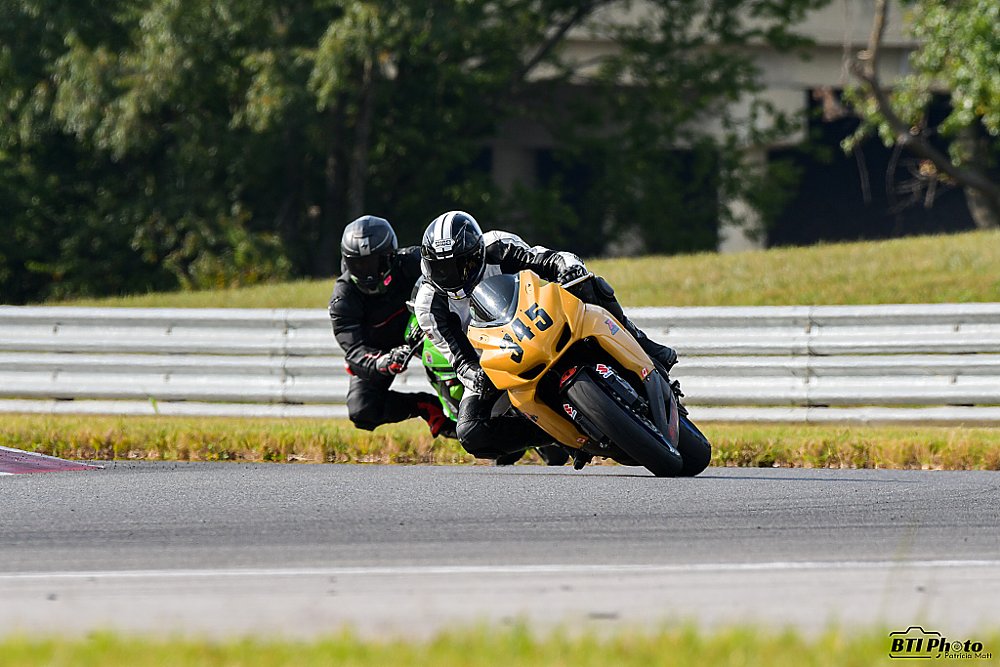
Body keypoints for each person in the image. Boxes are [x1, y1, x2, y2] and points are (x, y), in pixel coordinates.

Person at [412, 210, 677, 462]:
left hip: (539, 317)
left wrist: (567, 267)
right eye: (442, 269)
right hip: (496, 360)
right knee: (471, 432)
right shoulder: (428, 304)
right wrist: (477, 375)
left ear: (478, 253)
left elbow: (547, 259)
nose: (453, 276)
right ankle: (555, 434)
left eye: (462, 265)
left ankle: (646, 347)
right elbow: (458, 357)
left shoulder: (498, 245)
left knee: (589, 283)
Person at [329, 215, 455, 438]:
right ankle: (426, 407)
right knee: (362, 410)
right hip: (379, 349)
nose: (367, 272)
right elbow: (354, 350)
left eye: (374, 263)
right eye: (358, 264)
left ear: (391, 256)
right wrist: (382, 362)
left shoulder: (415, 261)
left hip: (424, 329)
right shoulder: (343, 297)